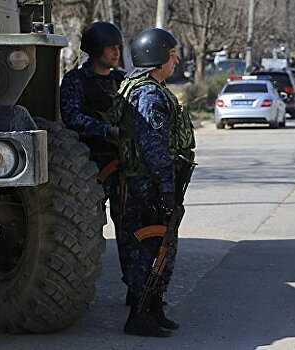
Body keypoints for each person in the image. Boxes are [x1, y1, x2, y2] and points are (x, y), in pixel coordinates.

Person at [117, 28, 195, 337]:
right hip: (147, 183)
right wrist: (165, 188)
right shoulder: (148, 94)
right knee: (151, 249)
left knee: (160, 246)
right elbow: (154, 147)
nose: (176, 61)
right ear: (157, 58)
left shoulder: (147, 88)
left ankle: (153, 307)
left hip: (148, 181)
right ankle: (140, 313)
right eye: (172, 55)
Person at [59, 21, 130, 297]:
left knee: (129, 231)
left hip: (122, 166)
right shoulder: (76, 81)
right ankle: (78, 290)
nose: (115, 53)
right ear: (96, 50)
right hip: (88, 167)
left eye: (118, 48)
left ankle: (135, 290)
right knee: (85, 231)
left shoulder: (122, 80)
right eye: (110, 48)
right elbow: (72, 118)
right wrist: (106, 131)